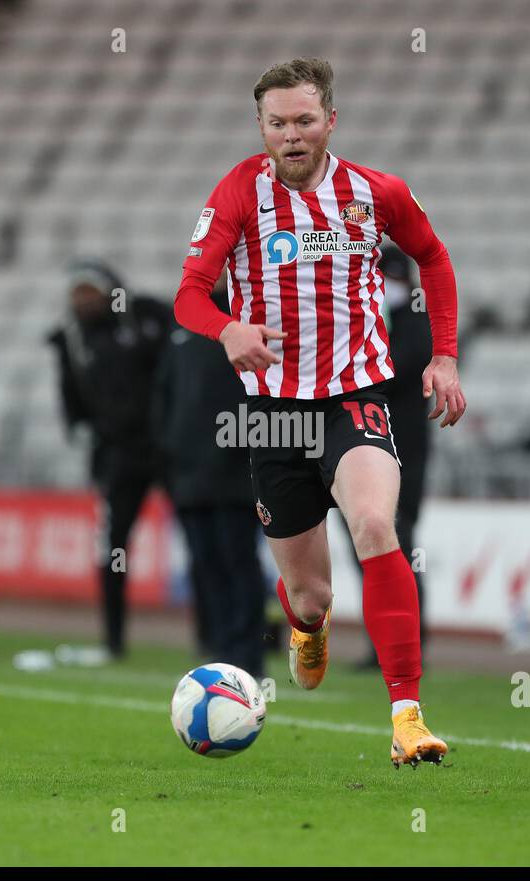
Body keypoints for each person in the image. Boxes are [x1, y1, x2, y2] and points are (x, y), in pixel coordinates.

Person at [174, 58, 466, 767]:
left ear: (330, 120)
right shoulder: (240, 191)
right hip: (276, 417)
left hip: (354, 398)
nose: (292, 135)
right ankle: (309, 625)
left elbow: (434, 258)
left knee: (373, 524)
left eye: (305, 121)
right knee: (310, 595)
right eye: (278, 123)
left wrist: (444, 355)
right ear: (262, 127)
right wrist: (228, 330)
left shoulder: (376, 192)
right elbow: (189, 294)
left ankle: (406, 716)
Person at [48, 259, 167, 662]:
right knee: (113, 549)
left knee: (210, 538)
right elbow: (69, 395)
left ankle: (224, 637)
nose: (82, 300)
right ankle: (113, 640)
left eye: (89, 291)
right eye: (76, 293)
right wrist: (82, 430)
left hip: (167, 450)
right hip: (117, 456)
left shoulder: (149, 317)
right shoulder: (72, 340)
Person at [153, 271, 269, 678]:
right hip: (188, 472)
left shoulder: (250, 318)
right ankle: (220, 650)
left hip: (236, 470)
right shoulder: (183, 325)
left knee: (239, 562)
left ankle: (249, 655)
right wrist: (167, 450)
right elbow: (164, 392)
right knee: (205, 564)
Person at [352, 246, 432, 670]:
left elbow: (394, 370)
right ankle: (383, 643)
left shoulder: (414, 325)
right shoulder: (374, 321)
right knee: (369, 548)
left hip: (403, 450)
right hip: (372, 448)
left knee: (396, 543)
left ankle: (410, 642)